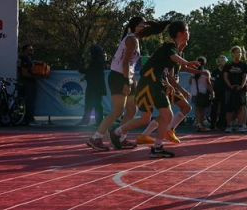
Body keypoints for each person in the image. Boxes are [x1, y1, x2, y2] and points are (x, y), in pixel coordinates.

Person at [113, 21, 198, 157]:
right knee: (167, 115)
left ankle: (117, 132)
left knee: (146, 118)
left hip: (152, 82)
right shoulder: (170, 46)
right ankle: (157, 146)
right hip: (151, 82)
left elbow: (169, 69)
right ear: (181, 33)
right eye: (188, 30)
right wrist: (187, 63)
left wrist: (172, 83)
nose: (189, 33)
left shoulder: (173, 48)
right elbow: (173, 57)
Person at [87, 16, 154, 150]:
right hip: (119, 77)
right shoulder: (132, 39)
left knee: (132, 109)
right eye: (141, 25)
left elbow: (129, 64)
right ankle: (96, 138)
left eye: (145, 25)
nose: (144, 27)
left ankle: (120, 136)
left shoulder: (135, 39)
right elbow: (125, 62)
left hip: (126, 76)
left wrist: (131, 78)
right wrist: (126, 81)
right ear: (134, 27)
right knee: (117, 111)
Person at [222, 46, 247, 133]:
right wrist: (229, 85)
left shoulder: (244, 64)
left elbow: (245, 76)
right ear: (232, 54)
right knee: (229, 107)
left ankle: (242, 124)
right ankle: (229, 125)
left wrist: (242, 85)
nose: (239, 54)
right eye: (237, 52)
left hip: (241, 89)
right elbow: (225, 76)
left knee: (242, 106)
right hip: (229, 88)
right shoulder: (228, 64)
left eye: (240, 52)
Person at [81, 43, 108, 127]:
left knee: (91, 103)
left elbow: (90, 71)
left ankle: (87, 120)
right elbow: (92, 72)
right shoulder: (100, 60)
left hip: (93, 86)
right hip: (97, 86)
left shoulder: (96, 61)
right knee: (97, 104)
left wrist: (83, 71)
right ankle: (98, 121)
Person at [16, 43, 38, 126]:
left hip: (26, 82)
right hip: (27, 82)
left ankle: (24, 119)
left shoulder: (28, 58)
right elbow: (24, 73)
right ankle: (28, 120)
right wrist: (36, 76)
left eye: (32, 50)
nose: (32, 51)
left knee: (25, 102)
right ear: (25, 50)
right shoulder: (24, 58)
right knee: (28, 102)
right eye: (30, 50)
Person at [190, 56, 213, 131]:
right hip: (202, 93)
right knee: (202, 110)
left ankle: (198, 124)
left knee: (197, 109)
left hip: (194, 93)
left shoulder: (193, 72)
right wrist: (212, 92)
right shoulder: (206, 72)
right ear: (204, 63)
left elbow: (190, 82)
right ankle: (201, 125)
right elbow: (209, 83)